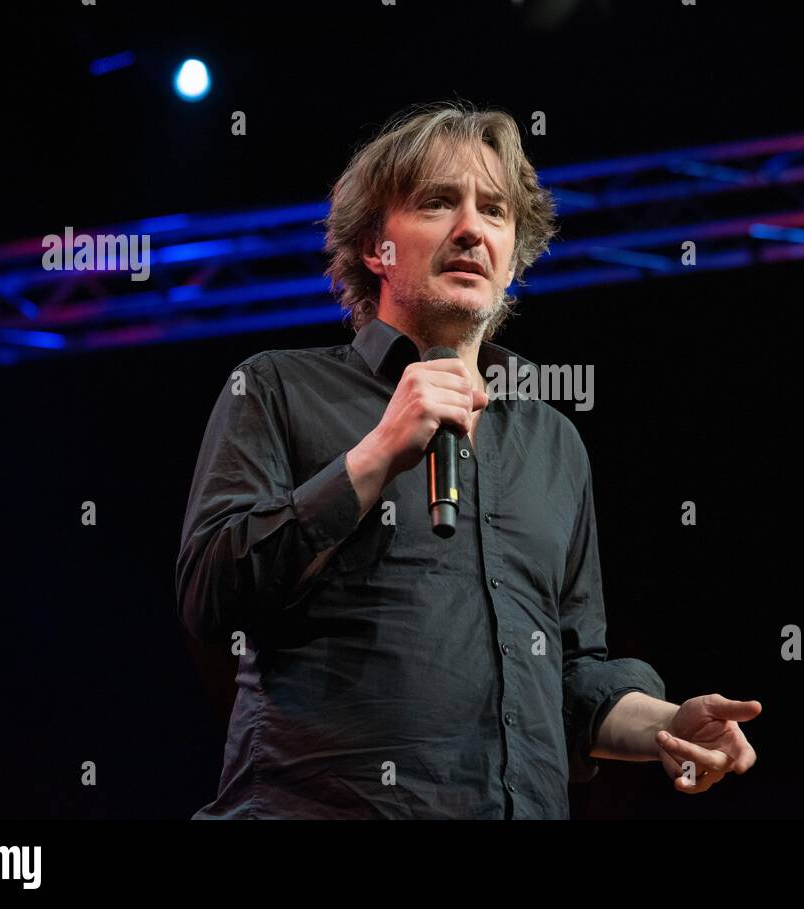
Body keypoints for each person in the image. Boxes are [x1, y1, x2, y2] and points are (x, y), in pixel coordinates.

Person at [176, 100, 761, 818]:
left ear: (515, 253)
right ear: (373, 246)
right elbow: (211, 591)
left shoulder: (552, 443)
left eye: (495, 210)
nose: (471, 229)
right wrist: (379, 451)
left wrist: (665, 725)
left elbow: (574, 674)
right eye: (437, 202)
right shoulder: (276, 387)